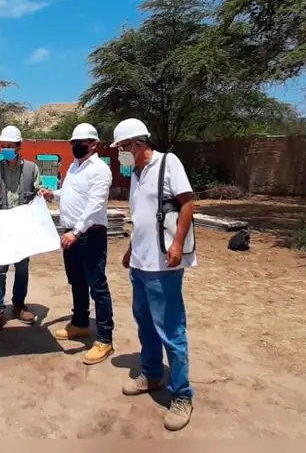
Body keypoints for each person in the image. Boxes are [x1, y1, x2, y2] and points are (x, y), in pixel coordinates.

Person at [110, 118, 196, 431]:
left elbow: (187, 204)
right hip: (141, 264)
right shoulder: (136, 173)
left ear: (136, 144)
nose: (119, 154)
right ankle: (151, 374)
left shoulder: (167, 163)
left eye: (121, 148)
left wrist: (176, 244)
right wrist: (132, 250)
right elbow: (141, 216)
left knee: (171, 329)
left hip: (164, 265)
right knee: (145, 323)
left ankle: (182, 394)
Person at [39, 123, 115, 365]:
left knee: (97, 285)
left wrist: (77, 231)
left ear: (93, 144)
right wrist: (54, 194)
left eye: (79, 142)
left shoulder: (100, 170)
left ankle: (104, 338)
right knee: (77, 281)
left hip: (89, 234)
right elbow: (72, 193)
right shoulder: (74, 166)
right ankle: (80, 323)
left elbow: (94, 204)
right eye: (72, 143)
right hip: (71, 232)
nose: (75, 146)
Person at [0, 124, 41, 336]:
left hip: (22, 229)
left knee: (22, 270)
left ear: (19, 146)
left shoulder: (32, 169)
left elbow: (39, 194)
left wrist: (43, 196)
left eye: (10, 146)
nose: (6, 149)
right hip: (0, 228)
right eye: (3, 146)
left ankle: (19, 306)